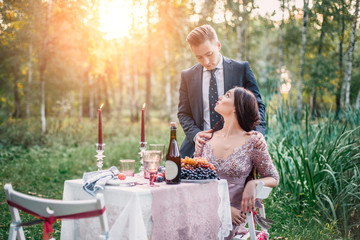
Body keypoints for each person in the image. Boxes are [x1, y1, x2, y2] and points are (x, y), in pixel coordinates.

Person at [194, 87, 279, 239]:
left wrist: (252, 184)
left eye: (227, 95)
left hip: (231, 220)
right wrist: (223, 208)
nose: (220, 97)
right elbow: (194, 182)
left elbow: (273, 178)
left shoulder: (253, 142)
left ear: (237, 108)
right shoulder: (205, 139)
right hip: (202, 210)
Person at [178, 24, 266, 158]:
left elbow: (257, 105)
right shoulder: (187, 76)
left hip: (236, 149)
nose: (206, 61)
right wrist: (195, 134)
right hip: (197, 149)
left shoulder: (241, 69)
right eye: (199, 57)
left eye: (209, 54)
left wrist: (258, 132)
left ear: (218, 46)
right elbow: (184, 113)